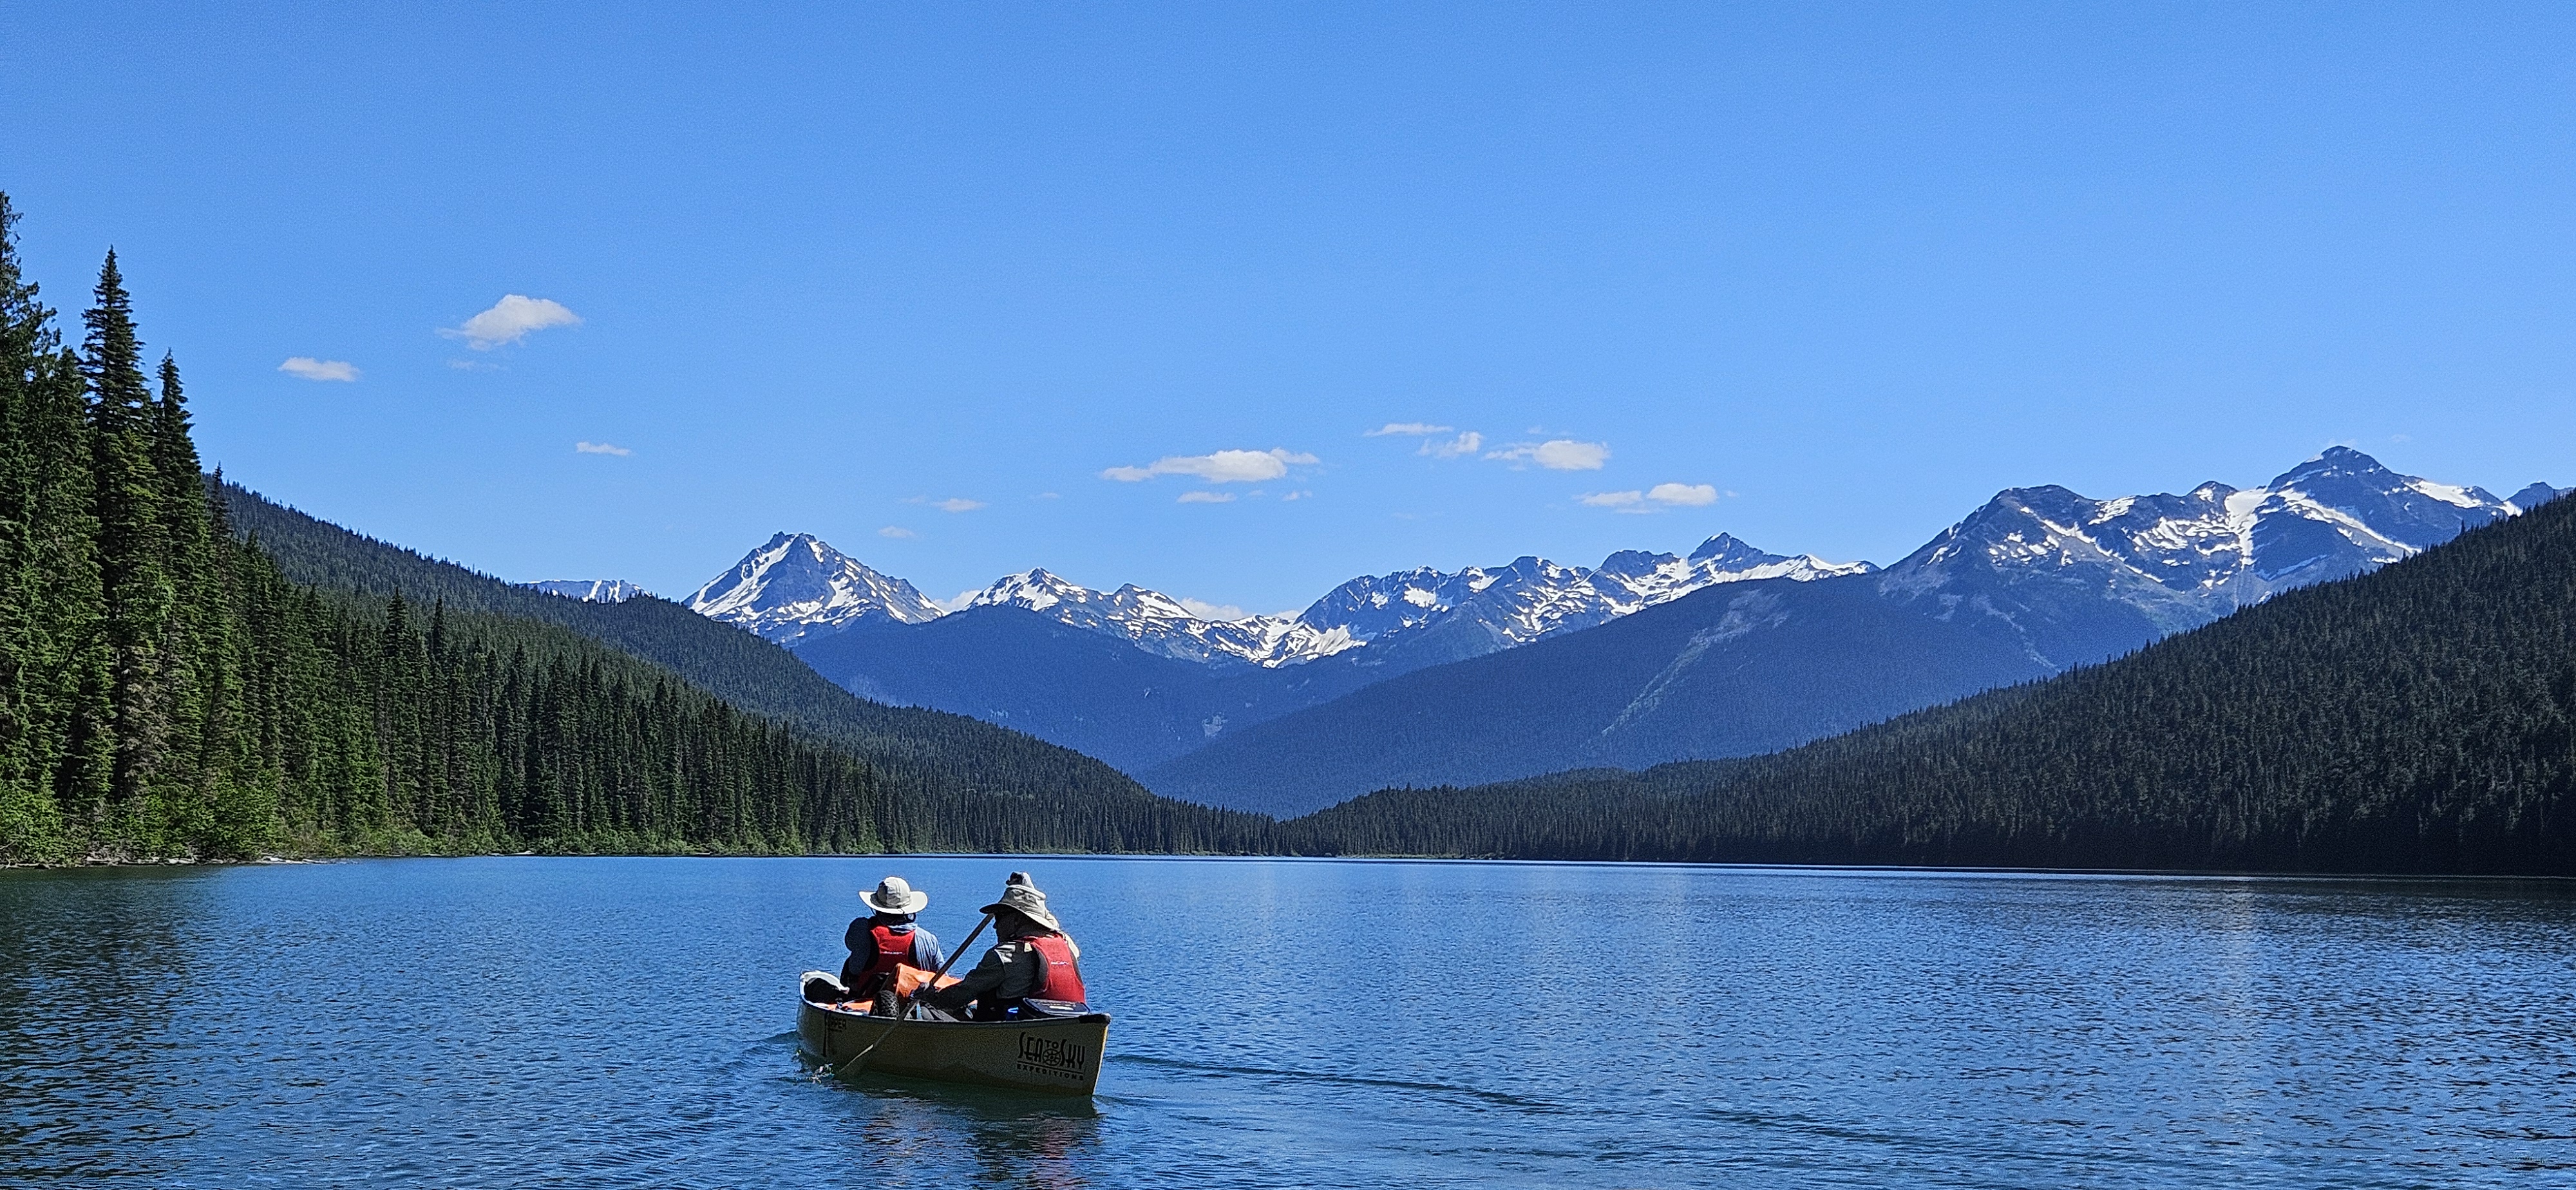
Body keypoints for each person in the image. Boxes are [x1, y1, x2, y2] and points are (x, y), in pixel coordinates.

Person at [920, 872, 1090, 1020]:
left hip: (1010, 1032)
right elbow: (1050, 925)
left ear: (1017, 920)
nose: (995, 925)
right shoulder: (1068, 945)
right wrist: (1025, 887)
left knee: (924, 1013)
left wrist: (931, 997)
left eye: (999, 918)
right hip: (1064, 1023)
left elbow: (959, 996)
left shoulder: (1003, 956)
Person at [840, 876, 944, 1006]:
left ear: (877, 907)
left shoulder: (862, 928)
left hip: (866, 1002)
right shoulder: (927, 939)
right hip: (912, 1005)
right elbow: (941, 976)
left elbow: (850, 947)